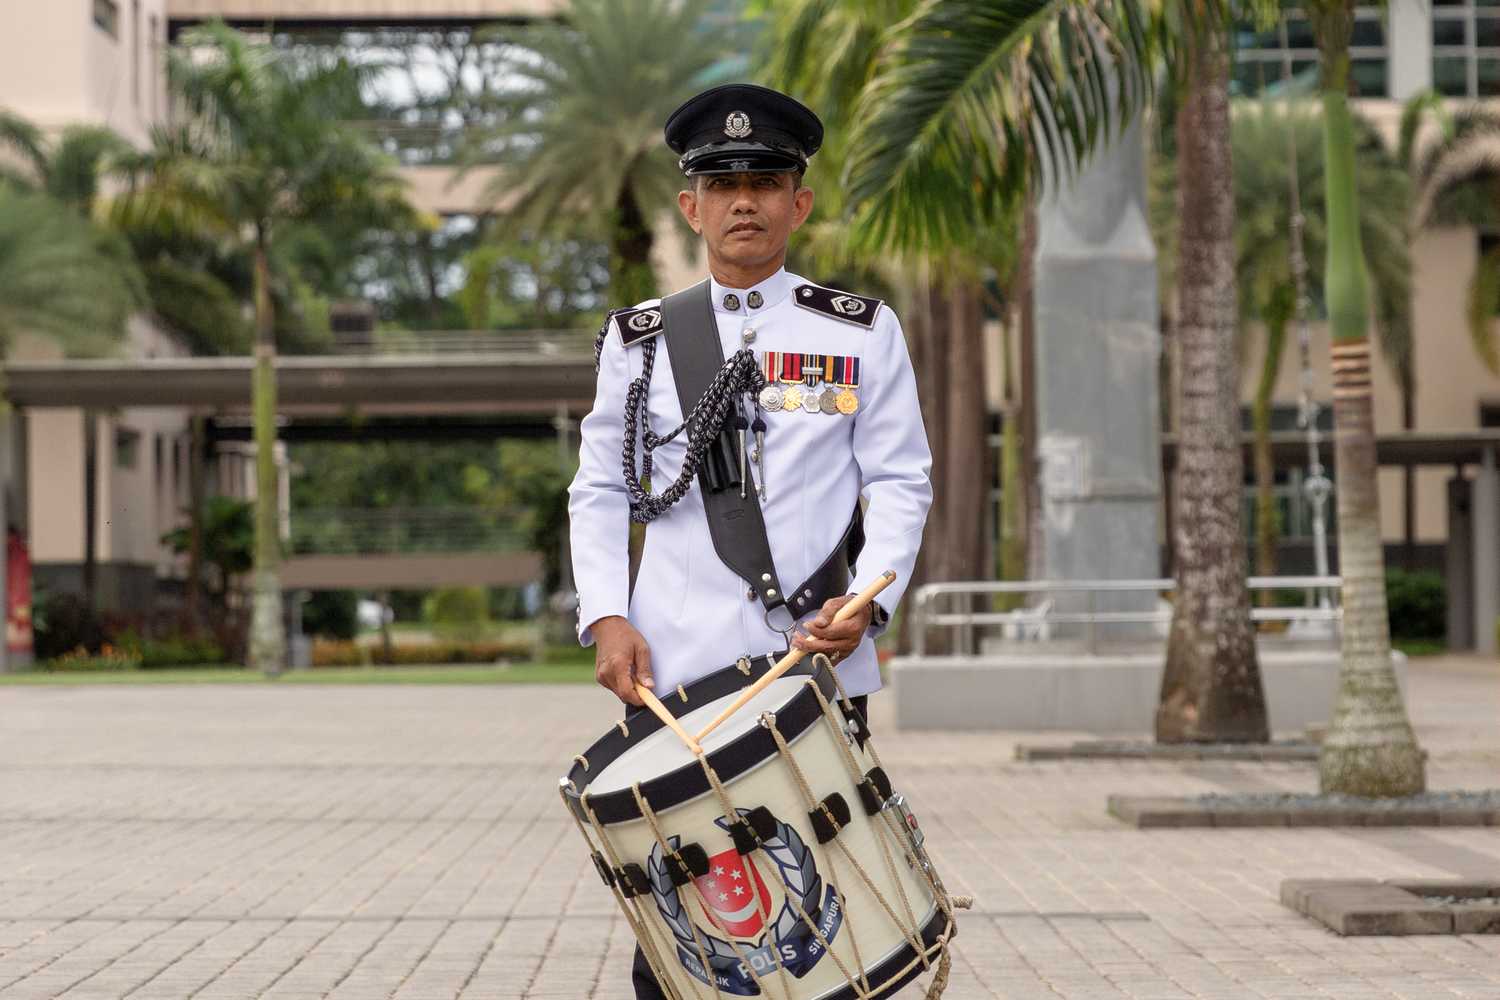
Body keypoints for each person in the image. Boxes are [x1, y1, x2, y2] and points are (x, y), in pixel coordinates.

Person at [565, 82, 932, 999]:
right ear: (689, 205)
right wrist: (607, 615)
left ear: (797, 203)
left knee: (843, 908)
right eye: (720, 184)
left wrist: (870, 600)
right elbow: (602, 486)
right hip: (678, 670)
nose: (743, 201)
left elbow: (899, 479)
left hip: (811, 658)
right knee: (692, 908)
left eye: (766, 182)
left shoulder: (858, 332)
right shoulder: (638, 340)